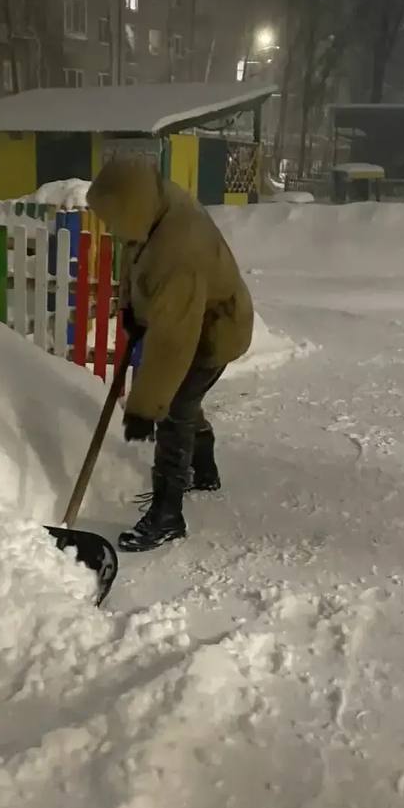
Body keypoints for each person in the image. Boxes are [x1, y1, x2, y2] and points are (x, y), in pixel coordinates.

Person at [87, 157, 254, 553]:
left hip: (214, 332)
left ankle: (167, 515)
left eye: (113, 218)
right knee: (185, 400)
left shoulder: (180, 249)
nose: (109, 227)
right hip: (194, 313)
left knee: (175, 409)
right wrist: (131, 308)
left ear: (132, 206)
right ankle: (205, 468)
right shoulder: (154, 210)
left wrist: (146, 408)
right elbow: (135, 258)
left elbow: (173, 343)